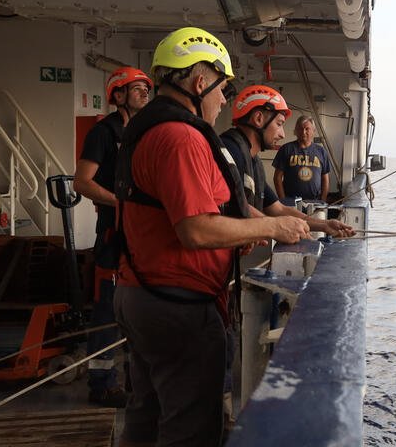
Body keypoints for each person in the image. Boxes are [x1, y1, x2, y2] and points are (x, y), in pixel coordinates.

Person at [112, 27, 310, 447]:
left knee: (145, 417)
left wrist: (247, 228)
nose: (224, 100)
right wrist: (273, 226)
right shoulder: (180, 137)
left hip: (142, 295)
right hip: (176, 307)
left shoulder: (152, 130)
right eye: (223, 88)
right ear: (201, 82)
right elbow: (197, 229)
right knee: (190, 428)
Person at [73, 65, 151, 407]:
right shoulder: (104, 133)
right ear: (118, 95)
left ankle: (136, 379)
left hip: (142, 234)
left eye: (147, 88)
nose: (144, 93)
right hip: (113, 232)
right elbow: (82, 181)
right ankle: (102, 383)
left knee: (139, 307)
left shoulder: (146, 133)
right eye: (137, 88)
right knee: (108, 308)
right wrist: (119, 202)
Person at [219, 85, 354, 237]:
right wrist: (277, 228)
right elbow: (237, 205)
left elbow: (279, 209)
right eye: (279, 123)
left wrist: (324, 225)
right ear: (258, 119)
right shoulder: (230, 153)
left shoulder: (254, 163)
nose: (282, 134)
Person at [272, 114, 333, 212]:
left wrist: (322, 201)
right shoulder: (286, 149)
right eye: (300, 129)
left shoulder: (321, 151)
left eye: (307, 129)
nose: (303, 132)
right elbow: (277, 177)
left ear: (313, 131)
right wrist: (283, 201)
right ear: (295, 131)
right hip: (291, 204)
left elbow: (325, 178)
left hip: (315, 204)